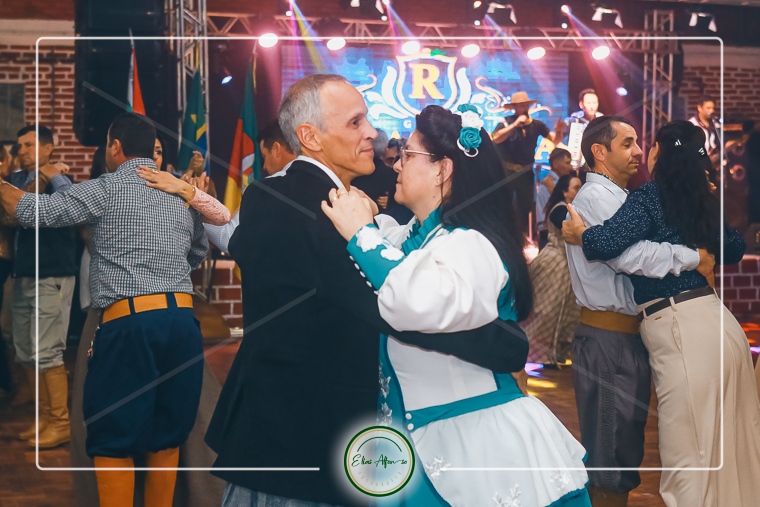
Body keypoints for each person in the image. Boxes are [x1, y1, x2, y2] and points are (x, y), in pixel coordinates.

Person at [205, 73, 535, 507]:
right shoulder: (320, 208)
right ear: (311, 137)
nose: (373, 133)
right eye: (355, 122)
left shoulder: (286, 195)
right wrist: (507, 344)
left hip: (293, 436)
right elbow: (398, 310)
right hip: (303, 442)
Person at [322, 104, 591, 507]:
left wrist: (361, 233)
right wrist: (368, 224)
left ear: (442, 170)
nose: (397, 164)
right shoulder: (418, 236)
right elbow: (393, 258)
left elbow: (415, 299)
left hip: (470, 439)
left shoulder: (472, 242)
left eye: (408, 154)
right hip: (414, 442)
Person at [0, 112, 208, 507]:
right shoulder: (178, 191)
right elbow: (197, 251)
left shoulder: (107, 187)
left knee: (113, 435)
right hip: (183, 323)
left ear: (115, 147)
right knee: (167, 434)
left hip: (132, 324)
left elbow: (34, 211)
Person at [563, 120, 760, 507]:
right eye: (629, 143)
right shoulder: (651, 196)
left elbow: (608, 244)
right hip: (709, 323)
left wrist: (582, 235)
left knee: (689, 450)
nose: (640, 151)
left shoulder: (650, 196)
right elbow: (631, 255)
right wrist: (696, 255)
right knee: (728, 444)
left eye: (645, 144)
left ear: (663, 154)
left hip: (681, 326)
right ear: (599, 152)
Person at [10, 125, 76, 448]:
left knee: (48, 351)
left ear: (49, 148)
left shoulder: (61, 182)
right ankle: (44, 418)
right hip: (23, 274)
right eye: (19, 146)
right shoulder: (17, 182)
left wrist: (49, 176)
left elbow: (36, 214)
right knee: (25, 350)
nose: (21, 150)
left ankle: (60, 423)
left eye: (29, 144)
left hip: (53, 275)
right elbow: (12, 215)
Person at [202, 120, 298, 255]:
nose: (264, 166)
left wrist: (197, 205)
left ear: (276, 149)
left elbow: (229, 239)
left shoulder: (264, 191)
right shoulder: (322, 181)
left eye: (264, 156)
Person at [524, 173, 583, 366]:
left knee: (564, 312)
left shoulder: (572, 208)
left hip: (566, 266)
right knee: (545, 311)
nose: (580, 191)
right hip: (554, 264)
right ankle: (534, 353)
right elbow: (569, 227)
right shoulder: (561, 209)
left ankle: (553, 351)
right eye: (576, 188)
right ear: (565, 192)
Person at [491, 91, 565, 235]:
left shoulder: (536, 125)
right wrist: (514, 125)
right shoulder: (506, 121)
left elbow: (554, 141)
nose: (523, 108)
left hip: (526, 172)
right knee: (504, 203)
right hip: (506, 171)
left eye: (525, 105)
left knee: (525, 206)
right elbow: (495, 138)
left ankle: (524, 236)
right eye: (520, 106)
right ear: (514, 107)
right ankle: (503, 234)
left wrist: (559, 131)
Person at [536, 148, 573, 249]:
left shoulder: (553, 183)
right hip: (550, 238)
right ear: (555, 164)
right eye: (567, 163)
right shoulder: (547, 186)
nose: (571, 167)